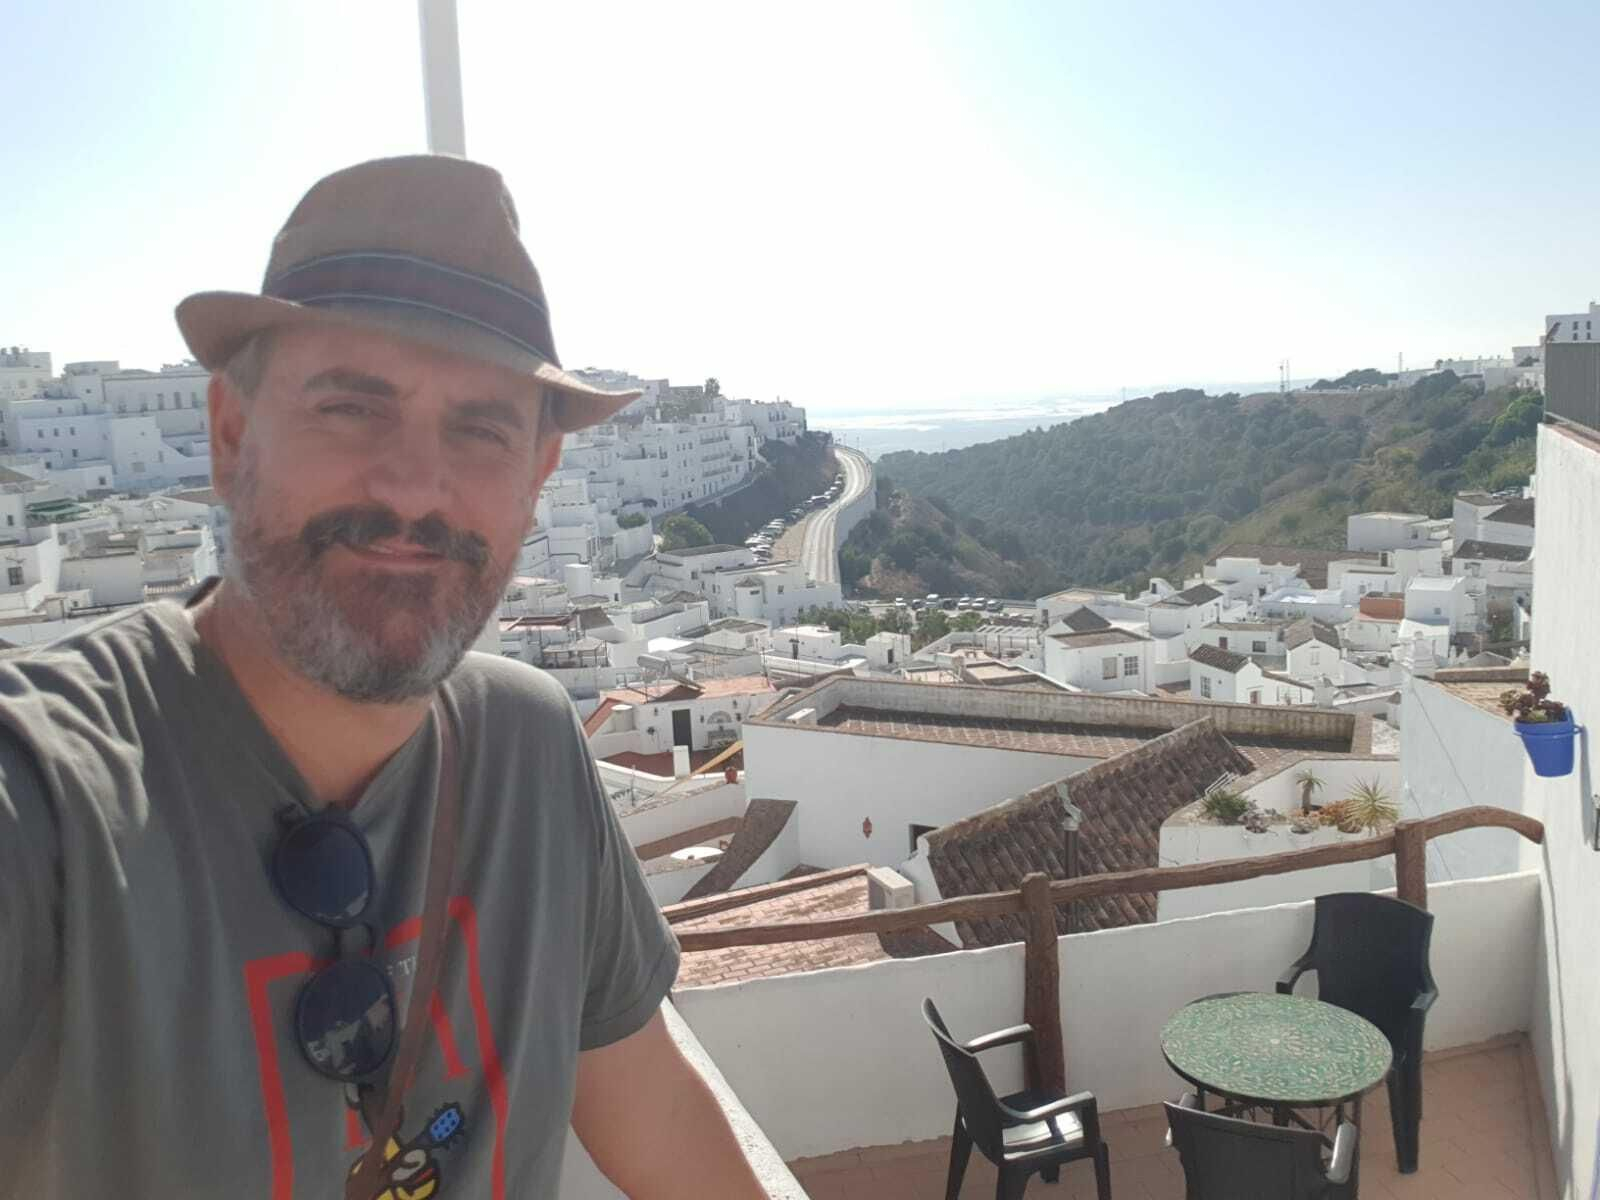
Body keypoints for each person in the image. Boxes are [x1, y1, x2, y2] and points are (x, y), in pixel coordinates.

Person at [0, 155, 767, 1198]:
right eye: (353, 408)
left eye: (480, 428)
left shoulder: (531, 750)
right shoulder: (49, 798)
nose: (415, 485)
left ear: (538, 479)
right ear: (231, 435)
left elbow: (656, 1115)